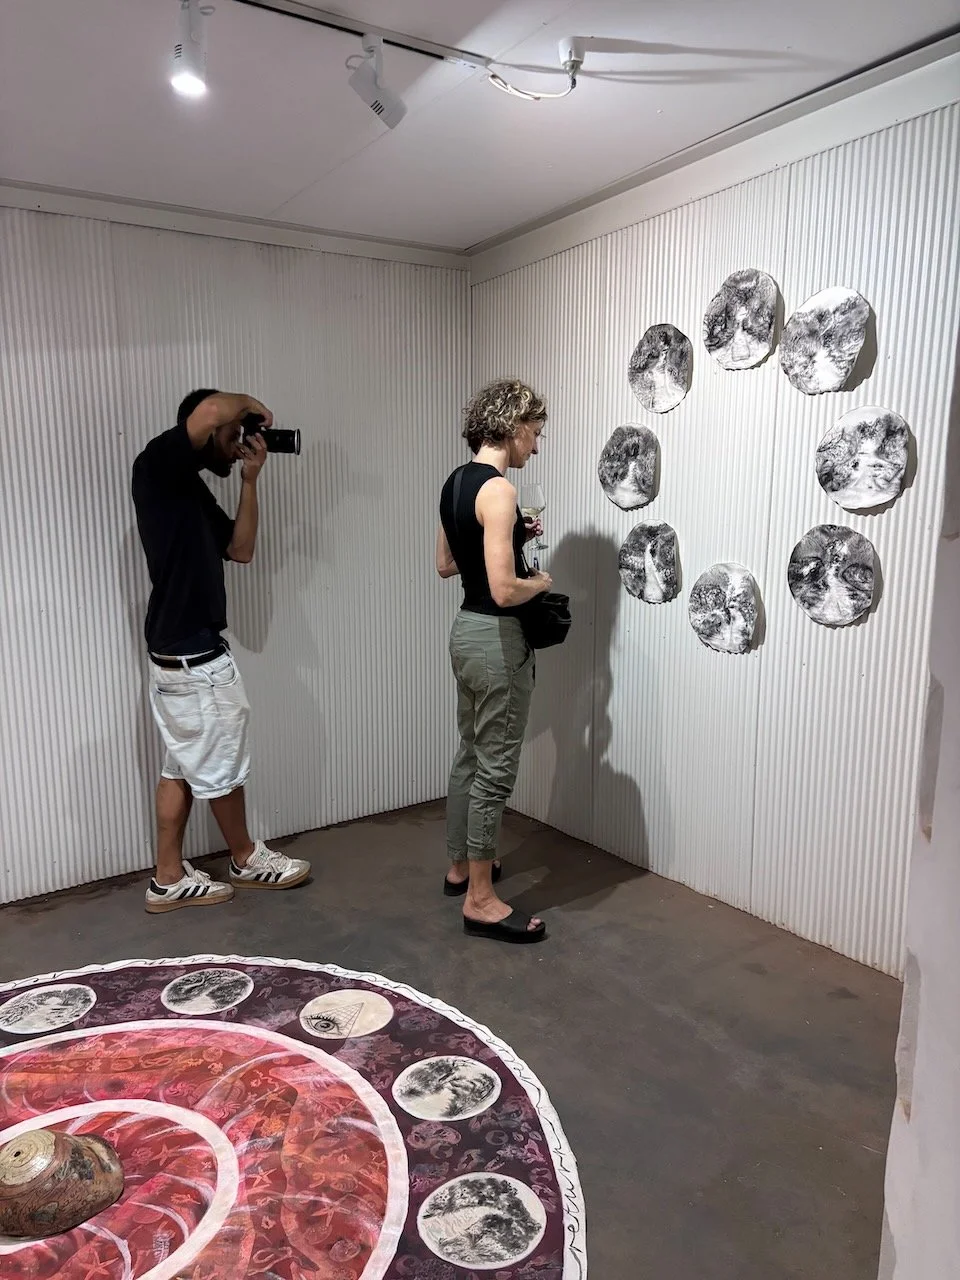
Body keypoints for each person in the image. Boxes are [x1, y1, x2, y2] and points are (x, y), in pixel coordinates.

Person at [132, 388, 310, 913]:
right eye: (233, 437)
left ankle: (167, 877)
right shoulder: (158, 464)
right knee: (221, 765)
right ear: (204, 431)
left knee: (181, 766)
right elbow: (211, 409)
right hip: (193, 658)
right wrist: (257, 409)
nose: (238, 446)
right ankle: (244, 857)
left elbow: (241, 549)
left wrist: (251, 481)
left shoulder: (188, 489)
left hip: (179, 652)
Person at [436, 379, 553, 943]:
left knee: (469, 753)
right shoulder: (500, 491)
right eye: (535, 432)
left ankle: (460, 867)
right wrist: (542, 582)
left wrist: (500, 539)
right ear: (513, 427)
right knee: (495, 767)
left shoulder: (455, 483)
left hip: (464, 632)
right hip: (497, 637)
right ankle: (481, 900)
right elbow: (506, 591)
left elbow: (444, 562)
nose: (536, 444)